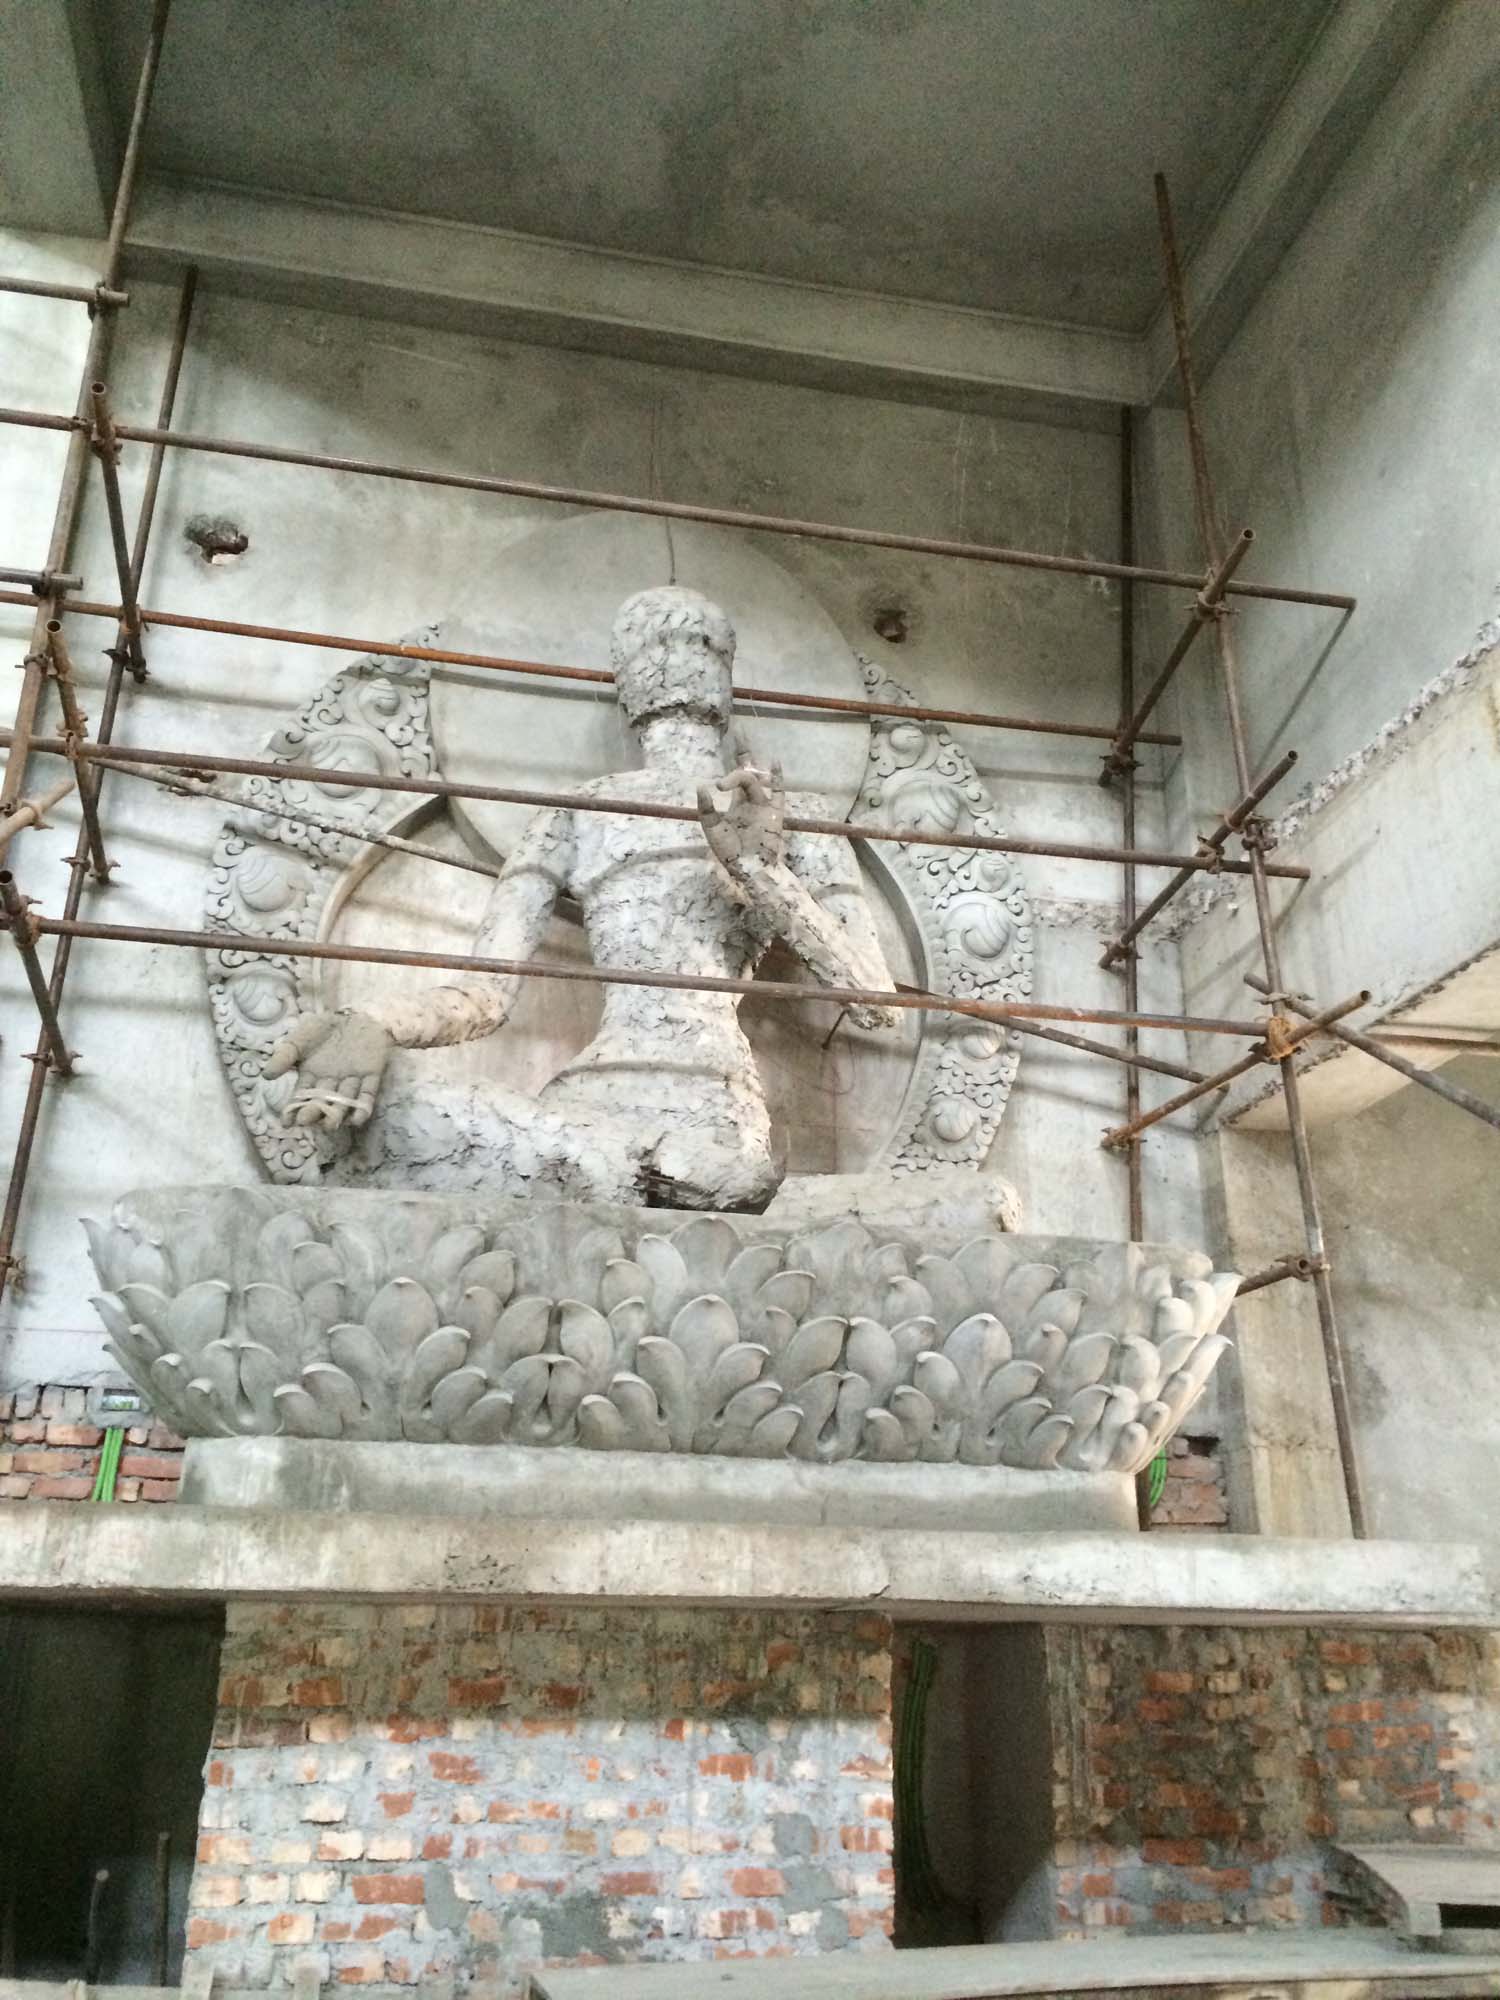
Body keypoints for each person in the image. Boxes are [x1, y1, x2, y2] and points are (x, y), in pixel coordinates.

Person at [265, 585, 897, 1210]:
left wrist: (759, 872)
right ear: (624, 680)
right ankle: (634, 1177)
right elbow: (484, 995)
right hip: (582, 1113)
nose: (677, 659)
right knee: (369, 1108)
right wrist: (373, 1022)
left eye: (700, 644)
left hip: (709, 1112)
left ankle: (651, 1179)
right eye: (651, 644)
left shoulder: (788, 813)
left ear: (727, 674)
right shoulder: (577, 812)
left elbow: (875, 1004)